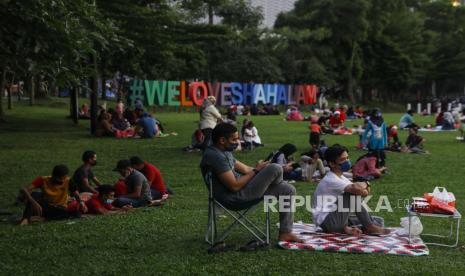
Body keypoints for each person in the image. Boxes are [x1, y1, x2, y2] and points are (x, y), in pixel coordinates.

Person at [200, 123, 303, 243]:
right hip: (235, 198)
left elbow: (246, 170)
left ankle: (285, 233)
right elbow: (234, 186)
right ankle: (277, 182)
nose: (238, 142)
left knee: (288, 189)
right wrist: (257, 170)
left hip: (244, 189)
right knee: (276, 168)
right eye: (234, 139)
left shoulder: (224, 151)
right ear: (222, 140)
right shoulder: (215, 156)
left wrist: (261, 167)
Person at [311, 145, 390, 235]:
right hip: (326, 222)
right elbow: (357, 190)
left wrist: (362, 188)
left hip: (336, 218)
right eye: (342, 160)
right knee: (351, 193)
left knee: (378, 221)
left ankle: (350, 228)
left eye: (347, 158)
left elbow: (363, 193)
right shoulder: (330, 179)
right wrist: (367, 184)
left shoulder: (342, 178)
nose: (347, 161)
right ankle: (369, 226)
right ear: (332, 164)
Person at [19, 165, 84, 225]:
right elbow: (23, 189)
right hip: (44, 207)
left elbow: (76, 194)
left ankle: (42, 218)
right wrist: (34, 202)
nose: (62, 180)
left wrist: (81, 202)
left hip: (59, 208)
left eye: (64, 178)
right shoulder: (43, 180)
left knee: (75, 214)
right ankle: (25, 219)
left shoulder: (68, 181)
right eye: (60, 178)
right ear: (54, 175)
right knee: (35, 194)